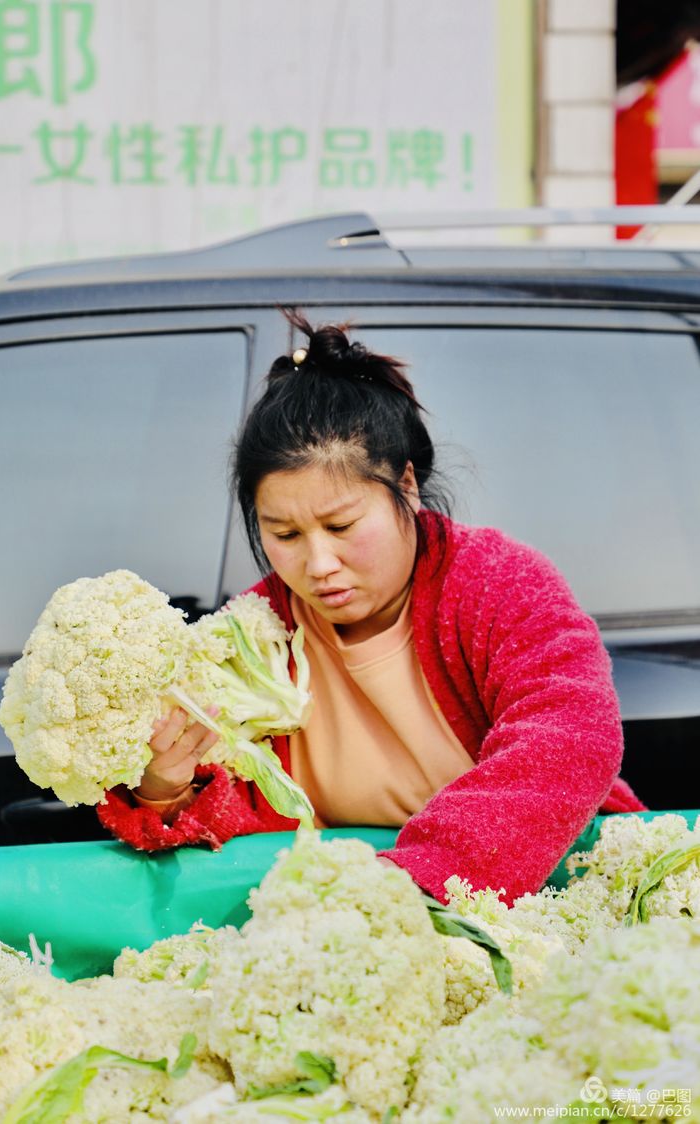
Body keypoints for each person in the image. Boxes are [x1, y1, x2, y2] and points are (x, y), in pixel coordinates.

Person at [98, 312, 647, 904]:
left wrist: (411, 887)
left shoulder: (499, 584)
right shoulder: (256, 638)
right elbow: (240, 811)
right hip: (357, 915)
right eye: (284, 534)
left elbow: (570, 736)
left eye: (341, 525)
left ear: (405, 486)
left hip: (542, 897)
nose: (319, 563)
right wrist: (164, 788)